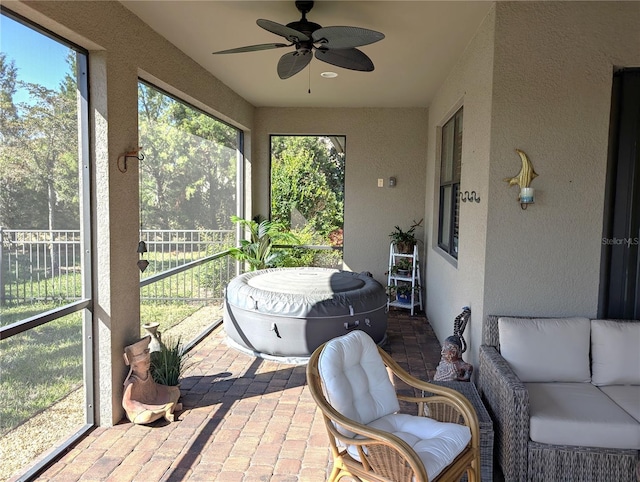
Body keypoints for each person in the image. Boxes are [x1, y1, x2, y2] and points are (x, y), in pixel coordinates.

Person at [122, 336, 182, 424]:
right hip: (142, 409)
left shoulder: (148, 374)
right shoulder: (132, 382)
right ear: (134, 366)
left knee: (175, 390)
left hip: (155, 399)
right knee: (147, 417)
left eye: (148, 360)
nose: (148, 363)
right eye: (144, 362)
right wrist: (142, 407)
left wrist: (168, 389)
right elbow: (127, 403)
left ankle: (166, 409)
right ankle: (166, 410)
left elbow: (154, 387)